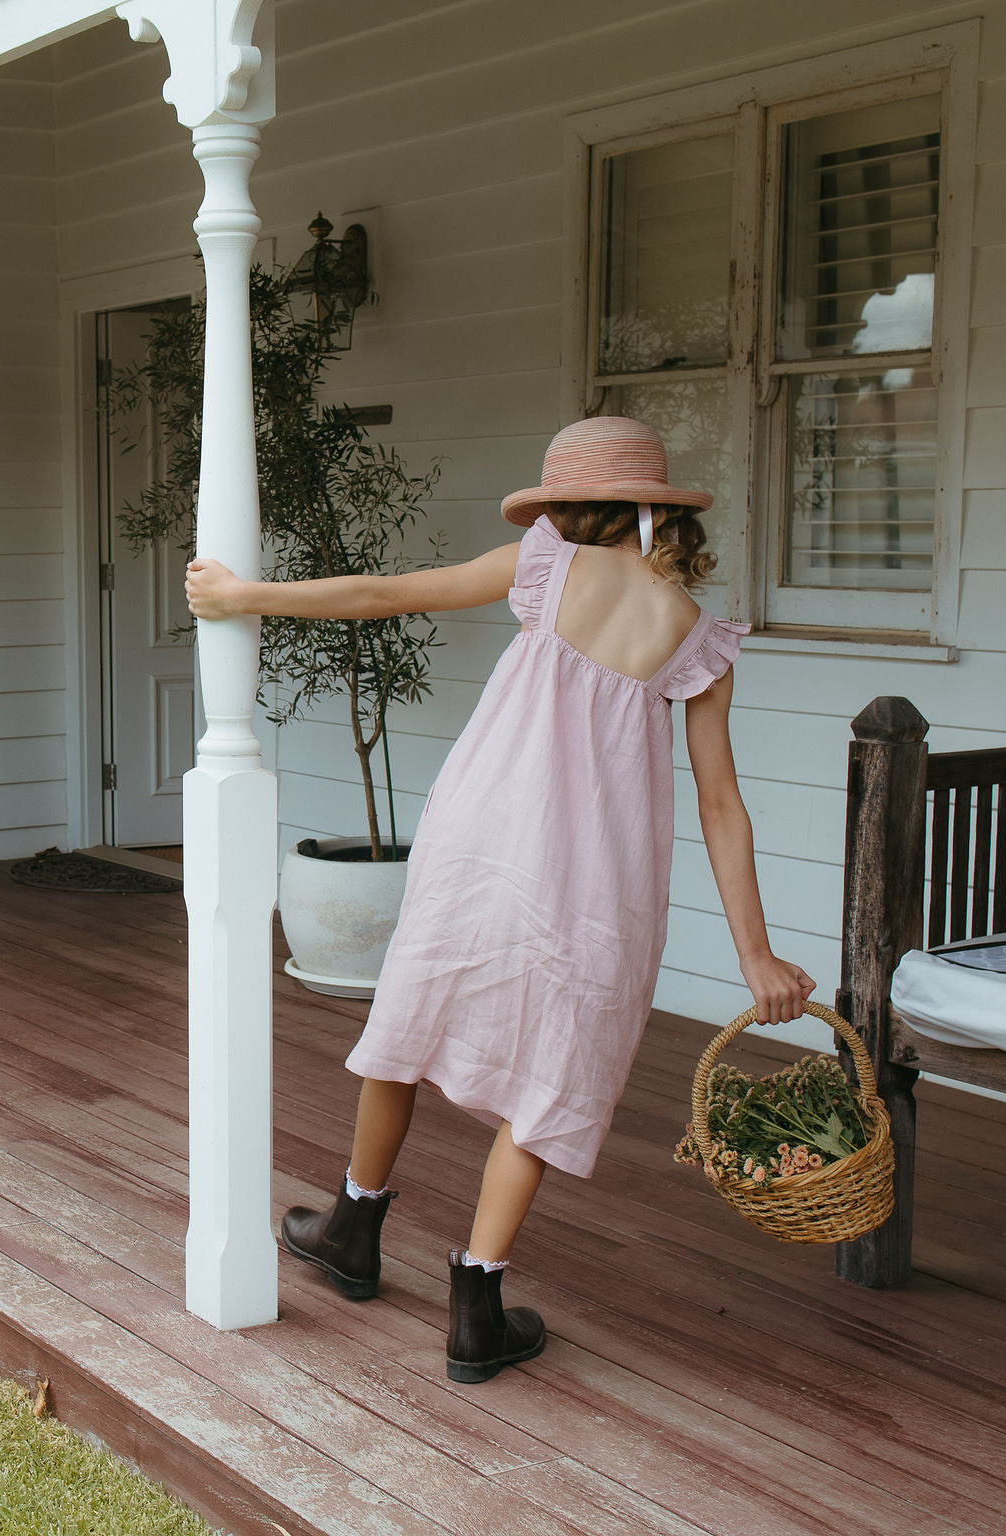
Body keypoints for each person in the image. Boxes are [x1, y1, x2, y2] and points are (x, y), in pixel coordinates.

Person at [185, 415, 815, 1384]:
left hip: (482, 840)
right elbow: (720, 802)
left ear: (565, 507)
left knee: (413, 1012)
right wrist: (755, 955)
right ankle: (475, 1306)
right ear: (652, 506)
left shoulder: (543, 563)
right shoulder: (694, 636)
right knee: (550, 1071)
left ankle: (354, 1225)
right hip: (603, 878)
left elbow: (381, 594)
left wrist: (241, 595)